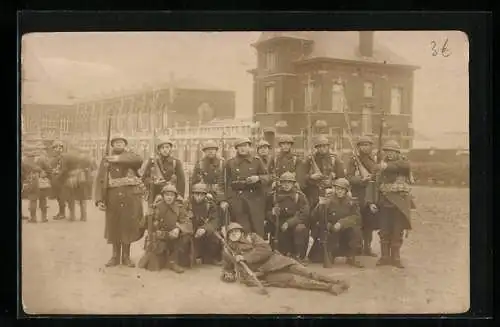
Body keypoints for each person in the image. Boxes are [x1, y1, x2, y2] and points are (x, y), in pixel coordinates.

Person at [220, 222, 349, 295]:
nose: (234, 234)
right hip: (262, 274)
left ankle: (336, 281)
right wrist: (228, 276)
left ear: (242, 232)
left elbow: (265, 250)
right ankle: (329, 288)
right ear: (228, 237)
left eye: (236, 231)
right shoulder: (228, 251)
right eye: (231, 233)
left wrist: (245, 257)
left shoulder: (252, 237)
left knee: (305, 272)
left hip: (276, 261)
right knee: (296, 282)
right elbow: (228, 270)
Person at [93, 134, 145, 268]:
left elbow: (139, 160)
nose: (119, 144)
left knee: (127, 226)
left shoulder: (131, 156)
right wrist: (99, 199)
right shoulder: (106, 159)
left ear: (125, 145)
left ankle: (126, 256)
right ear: (112, 145)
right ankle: (115, 256)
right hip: (113, 197)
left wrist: (117, 158)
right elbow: (100, 179)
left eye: (121, 142)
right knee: (114, 226)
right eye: (116, 143)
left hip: (129, 196)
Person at [374, 140, 413, 268]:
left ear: (397, 152)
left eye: (392, 151)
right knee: (384, 230)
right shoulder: (381, 163)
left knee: (397, 231)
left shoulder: (403, 162)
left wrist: (385, 166)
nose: (389, 154)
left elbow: (401, 166)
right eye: (387, 151)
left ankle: (396, 257)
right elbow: (375, 183)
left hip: (399, 203)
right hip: (385, 202)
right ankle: (385, 256)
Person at [138, 184, 194, 273]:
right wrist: (148, 216)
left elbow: (186, 223)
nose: (169, 198)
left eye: (172, 195)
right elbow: (145, 225)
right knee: (153, 267)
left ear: (175, 197)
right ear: (163, 196)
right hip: (160, 237)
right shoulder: (157, 207)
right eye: (167, 195)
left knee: (186, 237)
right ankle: (163, 259)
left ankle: (173, 261)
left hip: (174, 237)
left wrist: (178, 229)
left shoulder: (179, 208)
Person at [309, 178, 364, 268]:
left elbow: (357, 218)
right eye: (337, 189)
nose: (339, 191)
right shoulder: (328, 200)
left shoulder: (351, 202)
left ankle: (351, 256)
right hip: (331, 230)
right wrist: (319, 206)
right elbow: (314, 217)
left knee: (355, 231)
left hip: (345, 230)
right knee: (316, 258)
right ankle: (330, 254)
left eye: (342, 189)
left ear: (346, 190)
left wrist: (341, 223)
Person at [224, 138, 270, 237]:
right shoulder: (230, 163)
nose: (243, 148)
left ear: (249, 147)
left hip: (255, 199)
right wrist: (228, 199)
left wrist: (258, 178)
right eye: (240, 146)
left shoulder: (257, 161)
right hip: (238, 199)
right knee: (241, 229)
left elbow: (268, 177)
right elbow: (225, 183)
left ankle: (259, 250)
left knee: (257, 229)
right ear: (236, 148)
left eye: (245, 146)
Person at [345, 135, 380, 256]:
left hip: (371, 194)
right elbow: (348, 177)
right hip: (358, 194)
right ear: (358, 147)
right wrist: (361, 180)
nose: (365, 147)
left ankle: (367, 247)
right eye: (362, 145)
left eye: (367, 145)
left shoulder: (374, 159)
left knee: (369, 223)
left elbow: (378, 174)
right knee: (358, 222)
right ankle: (357, 247)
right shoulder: (353, 160)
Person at [266, 172, 310, 263]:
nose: (286, 185)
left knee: (300, 229)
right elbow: (266, 211)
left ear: (293, 184)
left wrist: (289, 223)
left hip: (295, 222)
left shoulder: (299, 196)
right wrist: (273, 213)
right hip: (278, 224)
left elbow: (304, 213)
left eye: (289, 182)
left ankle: (298, 255)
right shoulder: (273, 195)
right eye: (284, 182)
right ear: (280, 183)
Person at [300, 135, 345, 211]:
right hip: (314, 191)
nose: (322, 148)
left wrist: (333, 178)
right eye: (319, 147)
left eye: (324, 146)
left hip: (331, 191)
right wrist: (311, 177)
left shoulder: (334, 159)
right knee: (314, 212)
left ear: (328, 146)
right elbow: (301, 176)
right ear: (316, 148)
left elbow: (342, 177)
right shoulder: (310, 159)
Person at [190, 140, 229, 223]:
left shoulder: (222, 163)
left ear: (216, 150)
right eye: (208, 149)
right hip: (204, 194)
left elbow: (227, 182)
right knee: (203, 218)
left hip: (219, 195)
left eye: (213, 149)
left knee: (220, 218)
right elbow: (194, 182)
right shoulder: (200, 163)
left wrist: (223, 199)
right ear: (204, 151)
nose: (211, 151)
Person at [141, 136, 186, 202]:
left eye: (167, 147)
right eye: (162, 147)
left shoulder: (175, 162)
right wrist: (153, 182)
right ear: (159, 150)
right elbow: (145, 178)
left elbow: (181, 181)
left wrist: (179, 196)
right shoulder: (152, 161)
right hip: (155, 194)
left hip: (170, 195)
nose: (165, 149)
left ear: (170, 149)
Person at [188, 183, 222, 265]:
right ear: (193, 194)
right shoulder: (187, 204)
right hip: (191, 232)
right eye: (197, 194)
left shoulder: (210, 205)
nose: (199, 196)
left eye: (202, 194)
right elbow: (183, 220)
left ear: (205, 195)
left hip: (205, 233)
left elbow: (215, 221)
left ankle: (209, 257)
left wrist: (204, 228)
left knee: (216, 236)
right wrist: (192, 230)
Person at [21, 146, 52, 223]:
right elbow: (49, 169)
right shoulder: (42, 158)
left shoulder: (24, 161)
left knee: (33, 200)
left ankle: (33, 218)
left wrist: (26, 178)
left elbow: (22, 172)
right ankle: (44, 218)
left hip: (32, 182)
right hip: (41, 182)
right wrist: (45, 175)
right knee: (43, 199)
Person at [65, 148, 94, 222]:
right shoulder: (88, 159)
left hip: (72, 180)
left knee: (71, 198)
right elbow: (92, 170)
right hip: (82, 180)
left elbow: (66, 169)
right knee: (82, 199)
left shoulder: (70, 158)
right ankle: (84, 216)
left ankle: (72, 216)